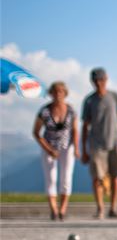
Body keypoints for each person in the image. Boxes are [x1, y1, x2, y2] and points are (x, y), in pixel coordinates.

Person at [81, 68, 117, 219]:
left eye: (101, 80)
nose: (99, 83)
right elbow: (85, 126)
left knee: (116, 176)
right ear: (92, 82)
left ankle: (113, 208)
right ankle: (100, 208)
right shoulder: (89, 101)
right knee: (97, 177)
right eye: (96, 81)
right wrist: (84, 149)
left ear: (106, 79)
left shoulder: (115, 97)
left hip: (115, 142)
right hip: (96, 144)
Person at [32, 82, 79, 221]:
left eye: (60, 91)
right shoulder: (44, 111)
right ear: (51, 94)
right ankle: (53, 209)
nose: (58, 94)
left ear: (65, 93)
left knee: (66, 179)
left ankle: (62, 210)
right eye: (55, 91)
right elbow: (36, 132)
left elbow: (75, 130)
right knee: (51, 179)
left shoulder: (71, 111)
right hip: (49, 147)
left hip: (67, 147)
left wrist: (76, 148)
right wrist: (48, 149)